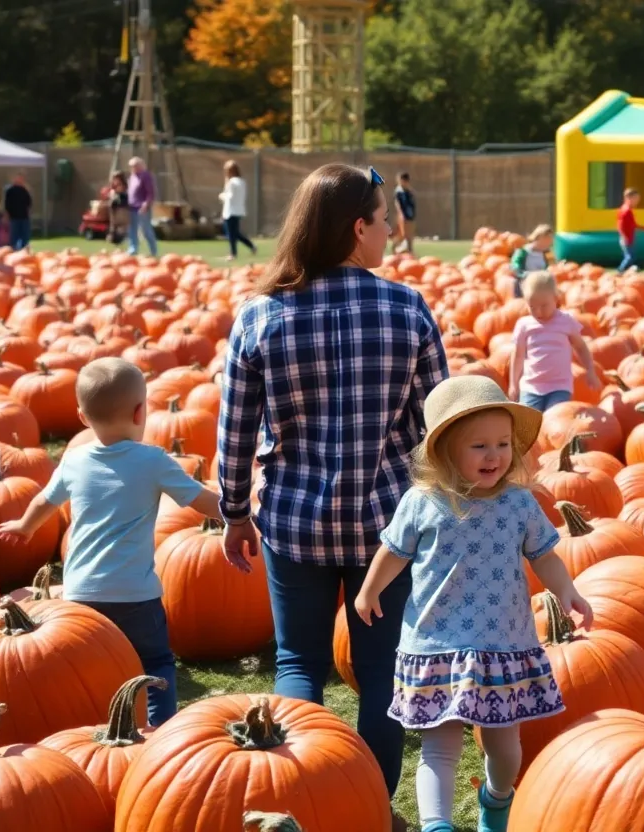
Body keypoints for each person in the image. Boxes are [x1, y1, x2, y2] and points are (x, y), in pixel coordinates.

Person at [217, 163, 447, 832]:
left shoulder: (260, 315)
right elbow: (441, 427)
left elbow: (235, 432)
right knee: (382, 674)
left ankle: (303, 806)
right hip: (388, 528)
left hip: (294, 521)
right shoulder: (406, 308)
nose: (389, 233)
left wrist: (234, 512)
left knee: (299, 664)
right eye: (383, 222)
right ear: (357, 229)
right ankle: (367, 809)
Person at [354, 374, 592, 832]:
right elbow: (393, 552)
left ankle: (497, 798)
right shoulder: (423, 501)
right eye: (479, 446)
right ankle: (437, 824)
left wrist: (567, 590)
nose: (495, 456)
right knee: (439, 748)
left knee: (505, 750)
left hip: (503, 644)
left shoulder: (519, 503)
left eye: (503, 444)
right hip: (436, 641)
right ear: (445, 452)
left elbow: (544, 554)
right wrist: (369, 590)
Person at [0, 357, 223, 726]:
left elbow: (43, 501)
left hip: (80, 594)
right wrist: (239, 512)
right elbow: (199, 499)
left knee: (90, 668)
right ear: (140, 412)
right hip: (135, 594)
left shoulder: (74, 460)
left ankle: (96, 729)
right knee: (155, 663)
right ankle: (159, 729)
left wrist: (24, 526)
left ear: (82, 417)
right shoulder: (153, 460)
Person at [508, 271, 600, 411]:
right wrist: (513, 384)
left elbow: (581, 347)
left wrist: (590, 371)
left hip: (559, 385)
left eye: (544, 306)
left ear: (556, 299)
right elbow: (518, 355)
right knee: (528, 423)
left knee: (555, 419)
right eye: (532, 307)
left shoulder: (566, 321)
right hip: (531, 385)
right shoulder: (524, 325)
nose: (538, 312)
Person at [219, 160, 257, 261]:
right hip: (239, 210)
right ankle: (252, 246)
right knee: (235, 233)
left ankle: (233, 254)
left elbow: (230, 197)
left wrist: (222, 196)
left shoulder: (232, 182)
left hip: (230, 211)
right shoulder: (242, 181)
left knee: (231, 234)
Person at [509, 224, 554, 297]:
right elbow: (515, 268)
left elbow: (548, 271)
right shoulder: (523, 252)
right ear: (539, 237)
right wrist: (527, 275)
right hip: (525, 287)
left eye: (550, 241)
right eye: (547, 239)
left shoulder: (546, 255)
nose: (549, 243)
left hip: (540, 287)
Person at [127, 157, 159, 257]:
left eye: (135, 166)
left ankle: (153, 251)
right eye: (131, 166)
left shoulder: (146, 176)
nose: (133, 168)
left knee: (146, 230)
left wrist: (146, 204)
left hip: (142, 207)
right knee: (132, 229)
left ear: (141, 165)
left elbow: (150, 192)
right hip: (131, 207)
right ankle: (133, 249)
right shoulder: (132, 176)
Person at [617, 187, 644, 272]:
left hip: (629, 238)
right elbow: (620, 225)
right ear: (628, 198)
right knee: (629, 257)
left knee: (631, 256)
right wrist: (623, 236)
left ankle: (627, 271)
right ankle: (620, 271)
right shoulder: (625, 211)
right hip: (626, 238)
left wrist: (642, 227)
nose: (637, 201)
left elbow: (632, 224)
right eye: (635, 199)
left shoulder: (628, 210)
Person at [3, 173, 33, 251]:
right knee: (14, 236)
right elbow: (7, 204)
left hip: (24, 217)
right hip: (14, 217)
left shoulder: (25, 190)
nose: (19, 180)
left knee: (25, 237)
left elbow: (29, 203)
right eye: (18, 178)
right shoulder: (10, 191)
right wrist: (7, 215)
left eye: (21, 178)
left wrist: (29, 214)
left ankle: (24, 251)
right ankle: (13, 251)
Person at [393, 172, 417, 254]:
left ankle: (410, 251)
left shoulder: (409, 191)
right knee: (403, 235)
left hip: (410, 215)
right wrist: (401, 214)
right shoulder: (399, 191)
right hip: (403, 216)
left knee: (409, 235)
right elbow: (398, 204)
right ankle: (395, 249)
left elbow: (412, 203)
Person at [106, 171, 129, 244]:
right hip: (115, 210)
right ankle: (114, 235)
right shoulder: (113, 189)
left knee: (122, 229)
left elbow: (124, 197)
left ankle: (123, 238)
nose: (114, 181)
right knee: (114, 226)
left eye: (116, 179)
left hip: (123, 210)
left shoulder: (125, 188)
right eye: (113, 179)